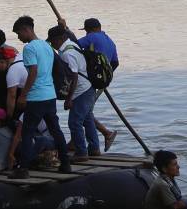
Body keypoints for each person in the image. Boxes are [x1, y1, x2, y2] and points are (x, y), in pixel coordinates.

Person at [11, 16, 70, 178]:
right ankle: (65, 163)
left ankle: (23, 169)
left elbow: (33, 72)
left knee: (27, 133)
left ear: (26, 29)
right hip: (50, 95)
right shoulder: (46, 46)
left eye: (18, 33)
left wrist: (23, 95)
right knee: (56, 130)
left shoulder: (29, 48)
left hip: (36, 97)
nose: (19, 37)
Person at [47, 26, 100, 160]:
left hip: (82, 90)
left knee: (74, 122)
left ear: (60, 39)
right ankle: (94, 148)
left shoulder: (67, 53)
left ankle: (81, 152)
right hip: (88, 87)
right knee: (87, 119)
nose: (52, 44)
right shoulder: (71, 45)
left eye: (52, 41)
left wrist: (69, 99)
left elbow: (74, 77)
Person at [75, 17, 118, 151]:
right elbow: (115, 62)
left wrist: (65, 29)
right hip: (101, 81)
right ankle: (95, 142)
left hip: (90, 81)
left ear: (90, 29)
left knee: (82, 111)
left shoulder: (92, 37)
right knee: (85, 111)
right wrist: (104, 77)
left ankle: (105, 133)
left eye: (86, 31)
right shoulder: (110, 41)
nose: (86, 33)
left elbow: (72, 45)